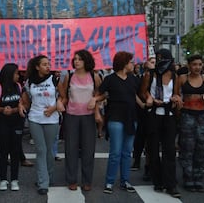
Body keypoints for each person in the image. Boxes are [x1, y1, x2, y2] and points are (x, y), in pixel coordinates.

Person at [96, 51, 142, 194]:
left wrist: (145, 105)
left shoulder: (134, 79)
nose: (133, 64)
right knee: (115, 152)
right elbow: (100, 94)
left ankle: (125, 181)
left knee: (127, 152)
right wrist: (97, 103)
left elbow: (135, 96)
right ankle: (109, 182)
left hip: (131, 118)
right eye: (130, 62)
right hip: (115, 118)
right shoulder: (110, 79)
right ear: (124, 63)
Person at [19, 55, 64, 195]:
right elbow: (25, 99)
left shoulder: (55, 79)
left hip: (52, 119)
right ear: (37, 67)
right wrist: (20, 104)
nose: (48, 66)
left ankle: (48, 177)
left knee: (49, 150)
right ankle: (43, 182)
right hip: (35, 118)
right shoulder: (29, 82)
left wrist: (55, 107)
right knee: (41, 150)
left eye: (48, 64)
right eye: (44, 64)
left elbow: (64, 97)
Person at [58, 49, 101, 192]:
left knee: (88, 150)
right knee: (71, 149)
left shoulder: (94, 76)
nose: (76, 61)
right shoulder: (69, 76)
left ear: (86, 61)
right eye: (75, 59)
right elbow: (63, 95)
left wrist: (96, 108)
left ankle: (87, 180)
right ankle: (72, 180)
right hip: (71, 116)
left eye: (80, 59)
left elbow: (100, 95)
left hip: (88, 117)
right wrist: (59, 102)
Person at [140, 49, 181, 198]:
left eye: (162, 58)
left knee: (170, 150)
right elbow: (143, 91)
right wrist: (150, 97)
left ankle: (171, 184)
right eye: (157, 58)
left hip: (169, 114)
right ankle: (157, 180)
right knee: (153, 148)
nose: (159, 61)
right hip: (154, 115)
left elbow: (176, 93)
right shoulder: (150, 75)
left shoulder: (175, 77)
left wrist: (176, 98)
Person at [175, 54, 204, 192]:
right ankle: (188, 178)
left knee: (201, 148)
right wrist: (177, 100)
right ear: (189, 65)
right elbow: (175, 95)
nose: (197, 67)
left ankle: (198, 178)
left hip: (202, 116)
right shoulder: (182, 78)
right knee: (187, 148)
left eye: (199, 64)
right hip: (187, 115)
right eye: (194, 64)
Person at [0, 63, 24, 191]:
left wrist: (15, 109)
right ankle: (3, 179)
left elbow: (25, 103)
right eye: (16, 73)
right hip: (3, 123)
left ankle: (14, 179)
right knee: (4, 151)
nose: (18, 75)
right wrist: (2, 109)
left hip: (17, 122)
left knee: (15, 151)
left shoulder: (19, 87)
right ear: (9, 74)